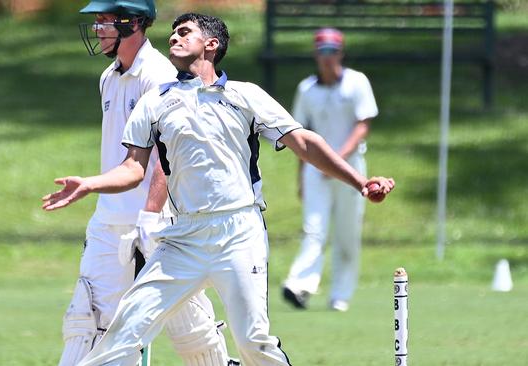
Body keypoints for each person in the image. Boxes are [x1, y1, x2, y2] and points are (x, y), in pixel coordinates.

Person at [42, 13, 394, 365]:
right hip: (183, 238)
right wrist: (90, 184)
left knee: (254, 343)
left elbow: (303, 142)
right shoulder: (155, 102)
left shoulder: (245, 95)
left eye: (184, 33)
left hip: (239, 233)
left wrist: (360, 182)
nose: (173, 39)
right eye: (173, 34)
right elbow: (133, 168)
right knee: (123, 332)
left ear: (211, 44)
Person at [59, 2, 235, 365]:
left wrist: (151, 216)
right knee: (87, 321)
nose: (97, 29)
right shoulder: (109, 76)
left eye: (104, 21)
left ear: (133, 22)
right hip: (110, 219)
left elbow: (167, 155)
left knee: (191, 330)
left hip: (158, 223)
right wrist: (95, 188)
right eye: (96, 22)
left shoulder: (159, 75)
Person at [281, 28, 379, 312]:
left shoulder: (357, 82)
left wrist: (336, 159)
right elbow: (299, 134)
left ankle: (340, 294)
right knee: (314, 230)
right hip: (315, 170)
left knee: (347, 233)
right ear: (315, 55)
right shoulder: (306, 89)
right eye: (322, 52)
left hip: (351, 170)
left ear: (341, 53)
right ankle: (299, 286)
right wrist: (301, 176)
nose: (327, 58)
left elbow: (363, 125)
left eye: (332, 52)